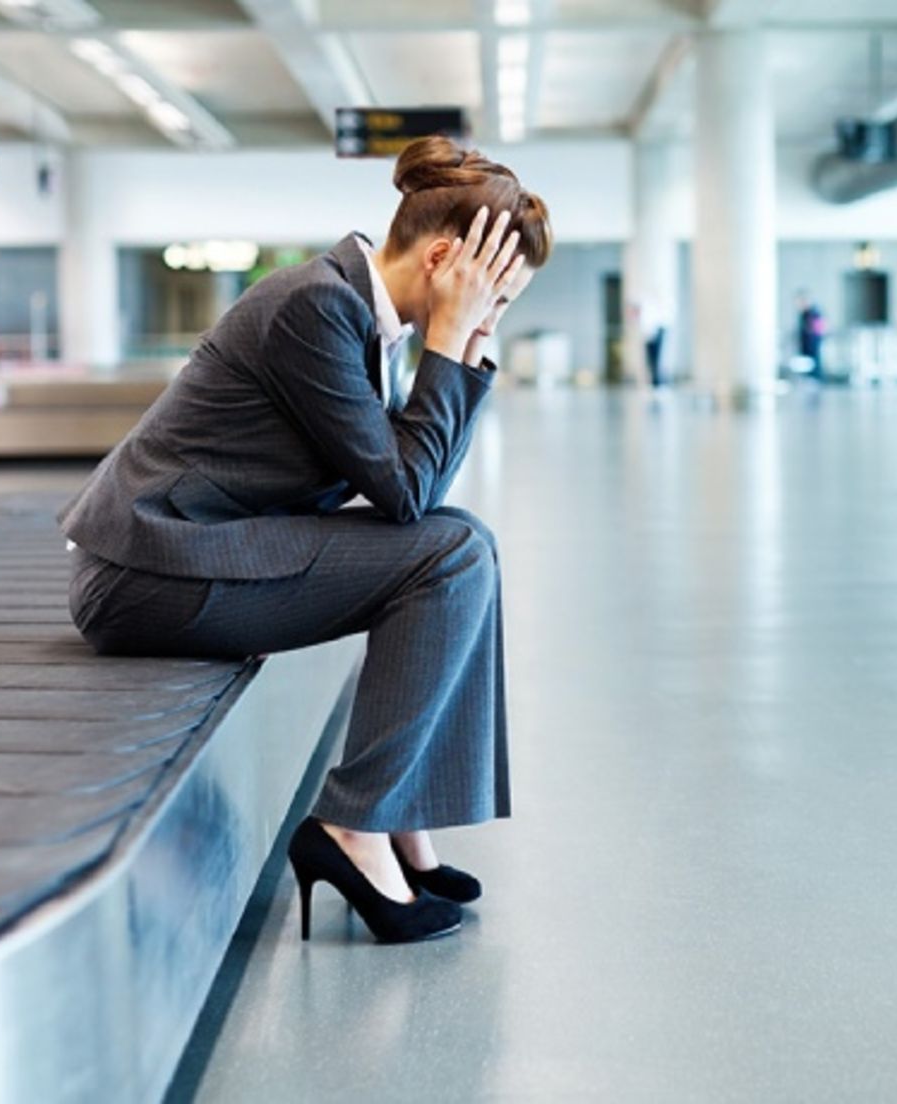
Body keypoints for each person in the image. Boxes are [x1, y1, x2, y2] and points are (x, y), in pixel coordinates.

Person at [58, 137, 549, 945]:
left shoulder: (363, 316)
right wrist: (452, 342)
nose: (493, 320)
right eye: (494, 298)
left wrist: (460, 344)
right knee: (448, 553)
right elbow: (403, 492)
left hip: (203, 551)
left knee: (464, 541)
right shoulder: (313, 306)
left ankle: (399, 813)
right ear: (443, 260)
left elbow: (423, 489)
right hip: (150, 572)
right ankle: (355, 826)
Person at [795, 290, 826, 380]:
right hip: (805, 349)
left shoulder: (815, 313)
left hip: (812, 349)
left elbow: (818, 332)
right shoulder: (804, 314)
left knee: (813, 373)